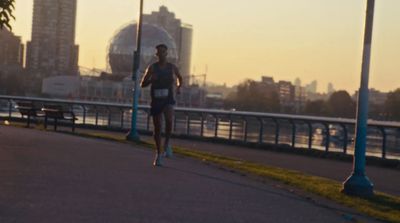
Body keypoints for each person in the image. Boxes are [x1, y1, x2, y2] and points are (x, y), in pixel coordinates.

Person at [141, 44, 183, 166]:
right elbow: (142, 84)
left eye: (164, 52)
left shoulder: (172, 67)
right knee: (158, 127)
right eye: (159, 52)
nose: (162, 54)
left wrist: (179, 87)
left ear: (166, 54)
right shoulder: (152, 68)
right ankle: (158, 154)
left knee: (169, 120)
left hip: (168, 98)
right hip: (156, 99)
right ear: (157, 55)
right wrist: (150, 80)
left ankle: (167, 143)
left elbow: (180, 78)